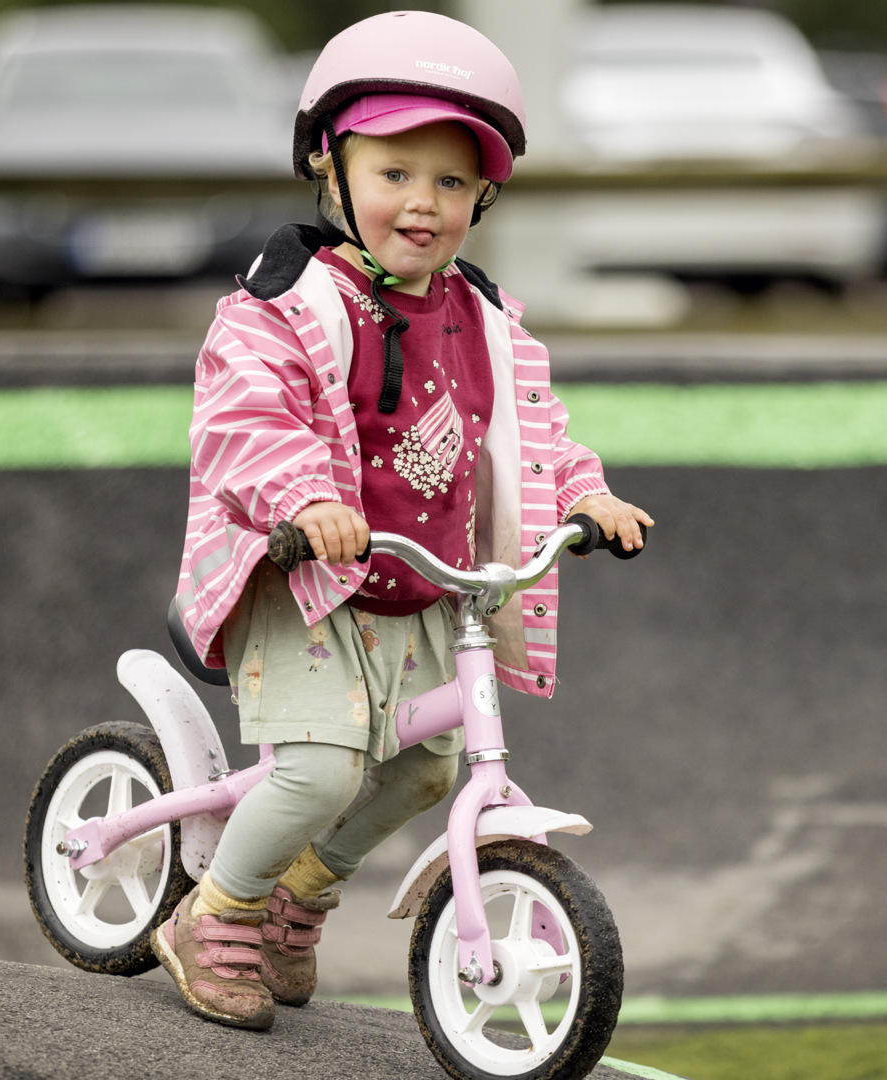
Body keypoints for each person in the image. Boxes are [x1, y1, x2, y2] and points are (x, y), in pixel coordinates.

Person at [155, 10, 653, 1031]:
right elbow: (245, 415)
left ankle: (298, 888)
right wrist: (308, 502)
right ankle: (215, 914)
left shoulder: (484, 315)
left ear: (483, 195)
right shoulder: (286, 302)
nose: (423, 203)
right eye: (395, 173)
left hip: (419, 586)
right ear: (329, 170)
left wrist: (584, 494)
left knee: (427, 765)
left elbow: (534, 431)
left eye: (452, 182)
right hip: (308, 579)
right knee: (319, 769)